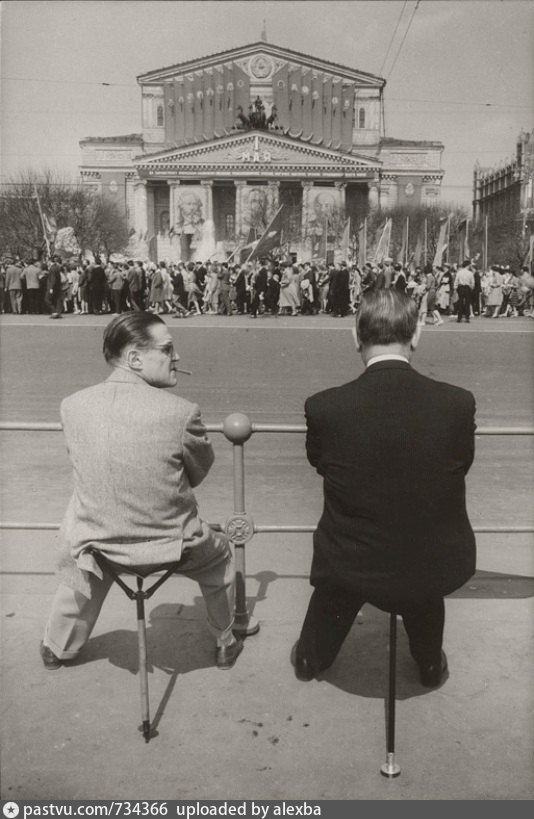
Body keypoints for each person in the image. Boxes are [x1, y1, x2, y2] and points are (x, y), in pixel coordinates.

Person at [40, 312, 243, 672]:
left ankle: (57, 646)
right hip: (172, 547)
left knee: (84, 554)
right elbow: (198, 473)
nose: (176, 356)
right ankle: (226, 640)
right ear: (134, 359)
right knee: (221, 558)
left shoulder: (72, 405)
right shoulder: (182, 412)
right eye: (166, 349)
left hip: (99, 545)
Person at [293, 289, 476, 686]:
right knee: (420, 581)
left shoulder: (324, 406)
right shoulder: (458, 403)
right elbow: (461, 464)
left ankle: (310, 659)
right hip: (430, 557)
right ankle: (429, 663)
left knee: (338, 586)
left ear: (355, 337)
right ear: (416, 335)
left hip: (352, 558)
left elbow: (321, 464)